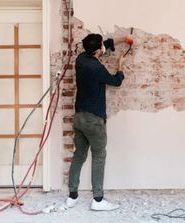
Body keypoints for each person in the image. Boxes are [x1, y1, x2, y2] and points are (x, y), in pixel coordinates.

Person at [65, 33, 133, 211]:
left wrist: (123, 39)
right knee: (99, 156)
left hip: (79, 117)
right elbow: (116, 81)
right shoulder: (97, 69)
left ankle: (72, 196)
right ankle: (98, 200)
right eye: (101, 46)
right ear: (96, 51)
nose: (104, 47)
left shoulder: (81, 59)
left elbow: (105, 45)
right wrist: (120, 66)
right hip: (93, 119)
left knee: (79, 155)